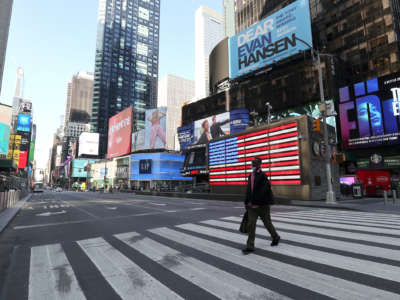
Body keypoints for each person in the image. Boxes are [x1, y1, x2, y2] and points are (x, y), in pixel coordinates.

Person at [242, 157, 280, 254]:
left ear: (259, 164)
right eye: (252, 163)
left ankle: (275, 237)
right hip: (252, 207)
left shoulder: (263, 176)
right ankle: (250, 246)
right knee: (251, 225)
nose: (252, 165)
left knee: (267, 223)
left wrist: (255, 201)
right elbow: (249, 190)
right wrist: (246, 202)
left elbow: (265, 190)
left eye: (254, 163)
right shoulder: (250, 176)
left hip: (262, 206)